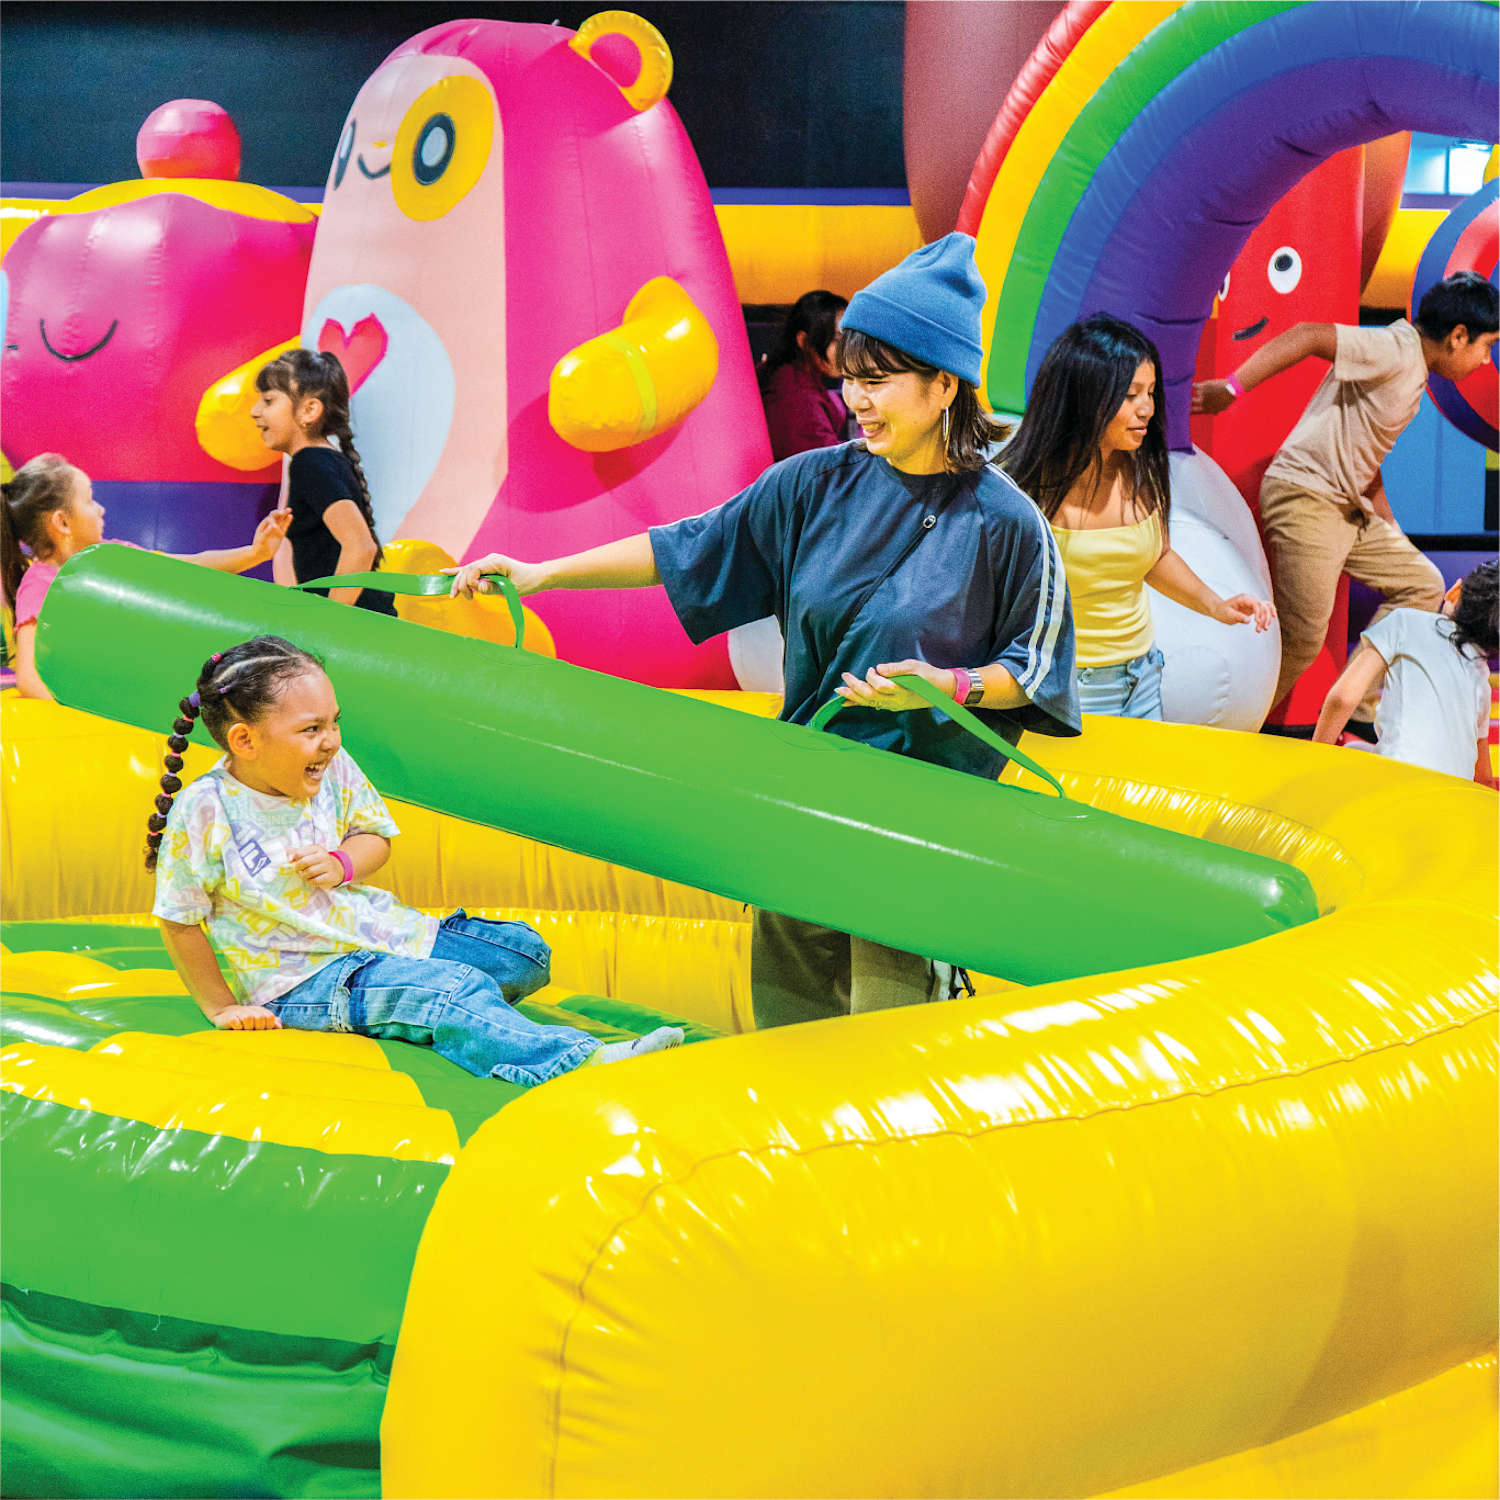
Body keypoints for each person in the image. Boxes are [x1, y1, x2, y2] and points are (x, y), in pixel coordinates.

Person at [449, 233, 1080, 1029]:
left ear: (945, 384)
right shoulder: (813, 484)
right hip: (803, 801)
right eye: (851, 379)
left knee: (894, 1036)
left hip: (919, 822)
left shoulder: (1007, 522)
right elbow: (688, 546)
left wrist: (946, 687)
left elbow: (1037, 667)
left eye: (879, 381)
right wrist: (544, 573)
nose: (856, 400)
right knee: (788, 1024)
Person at [148, 635, 684, 1076]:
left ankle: (451, 1008)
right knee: (455, 988)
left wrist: (342, 862)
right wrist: (223, 1006)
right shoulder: (206, 809)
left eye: (334, 722)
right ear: (245, 741)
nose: (331, 740)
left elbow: (375, 837)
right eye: (311, 729)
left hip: (375, 932)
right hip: (300, 980)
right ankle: (580, 1062)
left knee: (522, 954)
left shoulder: (330, 765)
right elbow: (179, 918)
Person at [1193, 270, 1499, 727]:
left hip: (1345, 507)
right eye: (1487, 345)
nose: (1486, 360)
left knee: (1422, 582)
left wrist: (1389, 524)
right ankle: (1229, 729)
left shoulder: (1414, 368)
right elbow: (1307, 335)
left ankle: (1356, 704)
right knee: (1301, 641)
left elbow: (1367, 447)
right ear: (1458, 336)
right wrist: (1231, 388)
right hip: (1307, 496)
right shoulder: (1395, 348)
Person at [1002, 314, 1275, 718]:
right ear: (1085, 397)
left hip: (1143, 675)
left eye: (1150, 392)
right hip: (1070, 685)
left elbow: (1156, 556)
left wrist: (1216, 605)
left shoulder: (1140, 469)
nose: (1147, 408)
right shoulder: (1027, 494)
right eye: (1130, 395)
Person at [1, 452, 290, 700]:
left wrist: (255, 553)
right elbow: (28, 678)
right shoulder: (40, 584)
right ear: (62, 522)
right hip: (87, 703)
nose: (100, 509)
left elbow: (189, 567)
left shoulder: (114, 557)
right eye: (89, 501)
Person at [1314, 559, 1496, 785]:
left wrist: (1315, 758)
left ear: (1454, 591)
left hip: (1399, 782)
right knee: (1359, 748)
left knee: (1350, 750)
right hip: (1451, 796)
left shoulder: (1405, 621)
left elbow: (1343, 698)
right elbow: (1483, 777)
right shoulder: (1480, 674)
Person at [251, 349, 396, 615]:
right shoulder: (322, 459)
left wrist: (330, 621)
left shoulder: (309, 463)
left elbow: (360, 546)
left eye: (268, 401)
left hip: (357, 622)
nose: (255, 412)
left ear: (309, 410)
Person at [758, 289, 850, 461]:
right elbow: (825, 465)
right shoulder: (796, 398)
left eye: (849, 339)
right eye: (837, 340)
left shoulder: (785, 374)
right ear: (803, 341)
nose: (846, 351)